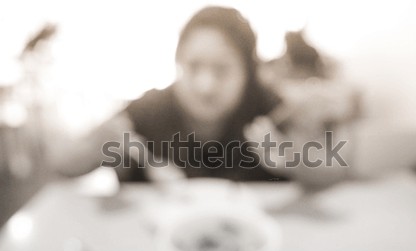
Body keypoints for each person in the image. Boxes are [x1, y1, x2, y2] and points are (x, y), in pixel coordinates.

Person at [50, 6, 287, 182]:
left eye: (221, 69)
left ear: (249, 73)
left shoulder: (269, 109)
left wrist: (293, 163)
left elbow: (323, 165)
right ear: (177, 63)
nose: (205, 86)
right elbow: (62, 163)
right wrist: (102, 142)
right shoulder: (149, 109)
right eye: (193, 66)